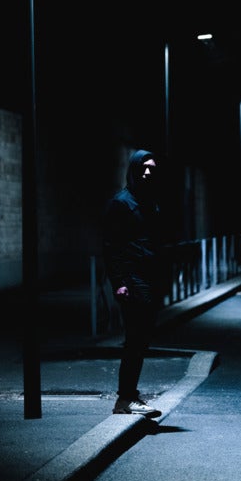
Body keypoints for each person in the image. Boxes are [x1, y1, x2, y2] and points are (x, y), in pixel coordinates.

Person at [100, 148, 165, 418]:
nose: (148, 172)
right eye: (143, 167)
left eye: (152, 167)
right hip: (132, 278)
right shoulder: (122, 203)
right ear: (134, 169)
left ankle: (128, 396)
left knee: (141, 339)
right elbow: (111, 245)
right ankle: (126, 398)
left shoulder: (149, 202)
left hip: (148, 278)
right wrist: (119, 282)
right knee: (135, 339)